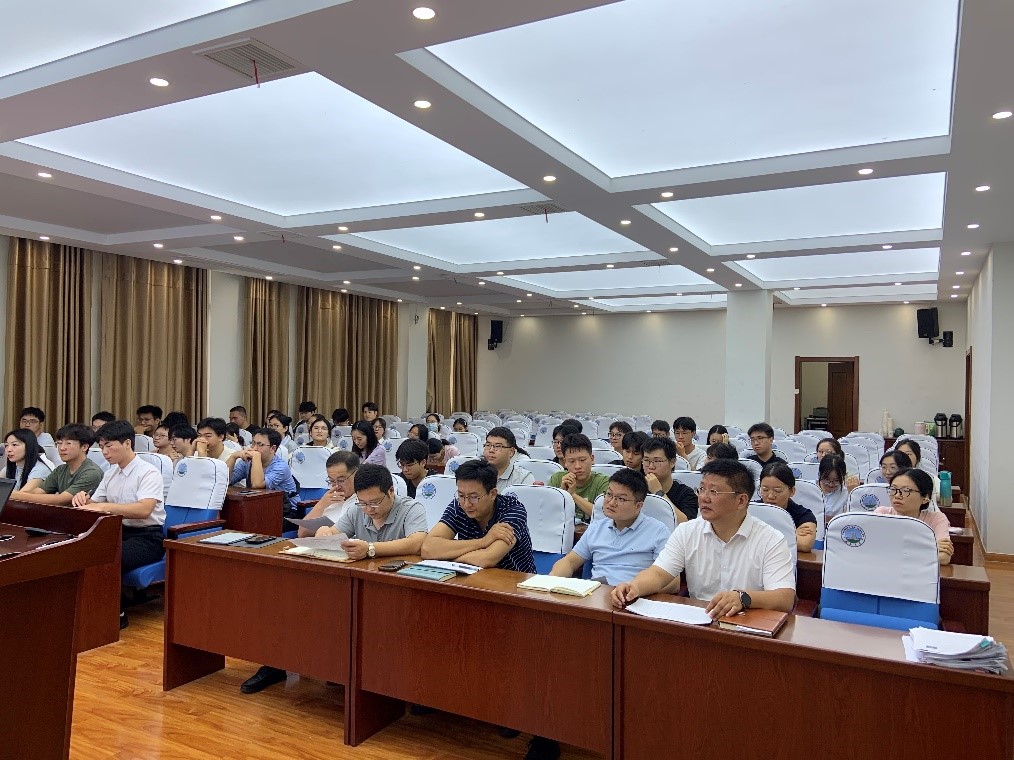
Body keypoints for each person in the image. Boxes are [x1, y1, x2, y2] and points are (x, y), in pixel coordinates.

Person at [611, 459, 797, 617]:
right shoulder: (687, 531)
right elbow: (659, 573)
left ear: (741, 500)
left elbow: (785, 598)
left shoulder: (770, 539)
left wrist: (742, 598)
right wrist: (635, 586)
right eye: (701, 489)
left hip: (749, 623)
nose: (704, 498)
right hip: (700, 620)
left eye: (714, 492)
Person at [72, 420, 166, 629]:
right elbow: (95, 504)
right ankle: (87, 609)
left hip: (147, 537)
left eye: (109, 445)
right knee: (81, 550)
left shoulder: (148, 472)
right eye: (101, 447)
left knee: (107, 556)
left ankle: (117, 613)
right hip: (117, 531)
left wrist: (104, 507)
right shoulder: (111, 473)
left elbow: (144, 510)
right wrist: (84, 500)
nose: (104, 452)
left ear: (127, 443)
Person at [549, 469, 669, 584]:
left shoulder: (658, 531)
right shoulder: (597, 528)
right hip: (597, 593)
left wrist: (636, 588)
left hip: (635, 593)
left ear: (638, 506)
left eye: (621, 499)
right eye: (609, 494)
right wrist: (550, 581)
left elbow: (671, 582)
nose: (611, 502)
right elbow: (569, 562)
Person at [421, 459, 535, 572]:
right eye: (461, 495)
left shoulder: (513, 510)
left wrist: (446, 558)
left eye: (474, 497)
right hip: (471, 578)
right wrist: (484, 541)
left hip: (514, 580)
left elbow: (487, 558)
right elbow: (428, 549)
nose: (466, 504)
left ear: (492, 494)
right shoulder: (458, 505)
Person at [876, 468, 953, 565]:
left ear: (925, 498)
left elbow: (944, 557)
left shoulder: (936, 518)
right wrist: (929, 547)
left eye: (906, 490)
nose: (897, 495)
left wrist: (894, 550)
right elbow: (873, 551)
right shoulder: (881, 514)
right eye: (893, 489)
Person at [16, 424, 104, 505]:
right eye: (59, 443)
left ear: (84, 447)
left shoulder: (92, 473)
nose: (62, 448)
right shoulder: (60, 469)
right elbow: (37, 492)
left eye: (68, 443)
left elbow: (60, 500)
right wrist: (17, 495)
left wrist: (13, 495)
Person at [227, 428, 300, 516]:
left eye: (260, 445)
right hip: (262, 506)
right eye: (253, 443)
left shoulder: (281, 467)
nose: (254, 448)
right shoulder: (247, 461)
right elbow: (226, 480)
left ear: (273, 448)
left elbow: (257, 485)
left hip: (287, 511)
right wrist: (233, 457)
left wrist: (256, 457)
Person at [548, 433, 610, 523]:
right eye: (571, 461)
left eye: (582, 460)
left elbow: (603, 515)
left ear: (592, 459)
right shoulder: (557, 478)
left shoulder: (603, 482)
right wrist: (562, 492)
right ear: (565, 462)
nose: (577, 466)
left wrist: (573, 495)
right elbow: (548, 512)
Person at [297, 451, 360, 537]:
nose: (336, 486)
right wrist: (321, 505)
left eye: (341, 480)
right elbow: (302, 533)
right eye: (331, 481)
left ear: (356, 474)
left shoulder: (365, 500)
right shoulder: (329, 498)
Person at [759, 463, 818, 552]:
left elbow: (805, 544)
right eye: (765, 490)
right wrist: (791, 535)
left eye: (777, 491)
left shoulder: (804, 515)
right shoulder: (750, 509)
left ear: (792, 491)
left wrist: (757, 537)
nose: (770, 496)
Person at [640, 437, 697, 521]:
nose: (651, 466)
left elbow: (686, 524)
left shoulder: (686, 494)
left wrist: (659, 493)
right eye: (646, 460)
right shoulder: (635, 489)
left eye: (657, 461)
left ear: (672, 462)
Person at [482, 427, 535, 492]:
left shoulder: (523, 479)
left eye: (497, 446)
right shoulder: (475, 473)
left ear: (511, 452)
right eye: (488, 445)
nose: (491, 450)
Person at [895, 439, 941, 503]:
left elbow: (942, 497)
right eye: (900, 454)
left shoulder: (929, 477)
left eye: (908, 454)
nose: (904, 457)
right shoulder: (888, 476)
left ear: (917, 457)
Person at [817, 455, 851, 521]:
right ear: (819, 474)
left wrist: (852, 494)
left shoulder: (846, 493)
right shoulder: (810, 489)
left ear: (844, 477)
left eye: (836, 480)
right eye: (827, 480)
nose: (831, 484)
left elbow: (846, 520)